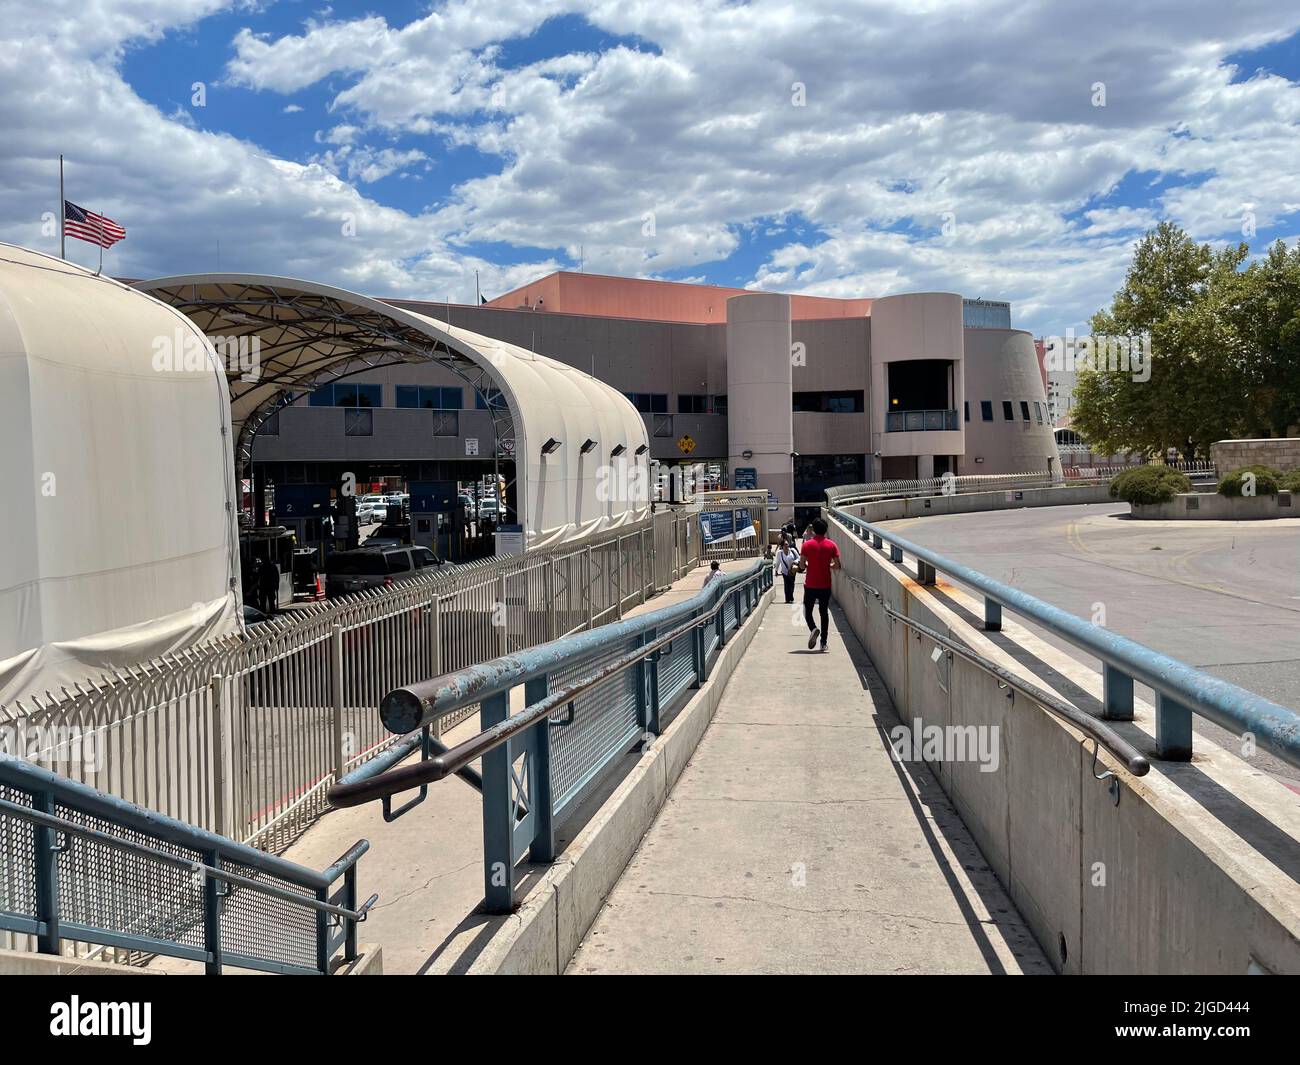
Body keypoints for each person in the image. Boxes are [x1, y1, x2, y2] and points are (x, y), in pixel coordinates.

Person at [797, 517, 841, 651]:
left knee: (808, 611)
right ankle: (823, 642)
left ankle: (813, 628)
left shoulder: (807, 545)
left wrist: (809, 564)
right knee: (824, 612)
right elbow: (838, 565)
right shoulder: (832, 545)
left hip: (810, 584)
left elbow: (802, 565)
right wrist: (828, 565)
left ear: (813, 530)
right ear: (825, 530)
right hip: (825, 585)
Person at [774, 536, 800, 603]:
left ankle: (791, 595)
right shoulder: (780, 553)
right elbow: (778, 562)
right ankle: (787, 599)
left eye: (787, 544)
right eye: (785, 544)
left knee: (792, 584)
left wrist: (795, 562)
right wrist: (776, 570)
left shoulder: (792, 551)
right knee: (786, 585)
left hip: (792, 571)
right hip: (785, 572)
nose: (787, 546)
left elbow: (799, 558)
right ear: (782, 546)